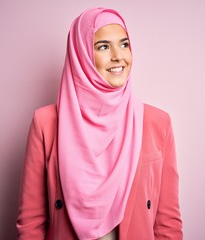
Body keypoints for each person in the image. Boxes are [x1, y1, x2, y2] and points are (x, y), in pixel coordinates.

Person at [16, 7, 183, 240]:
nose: (118, 56)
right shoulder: (46, 123)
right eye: (103, 46)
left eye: (124, 44)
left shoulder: (158, 123)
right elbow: (31, 223)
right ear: (81, 54)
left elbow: (168, 223)